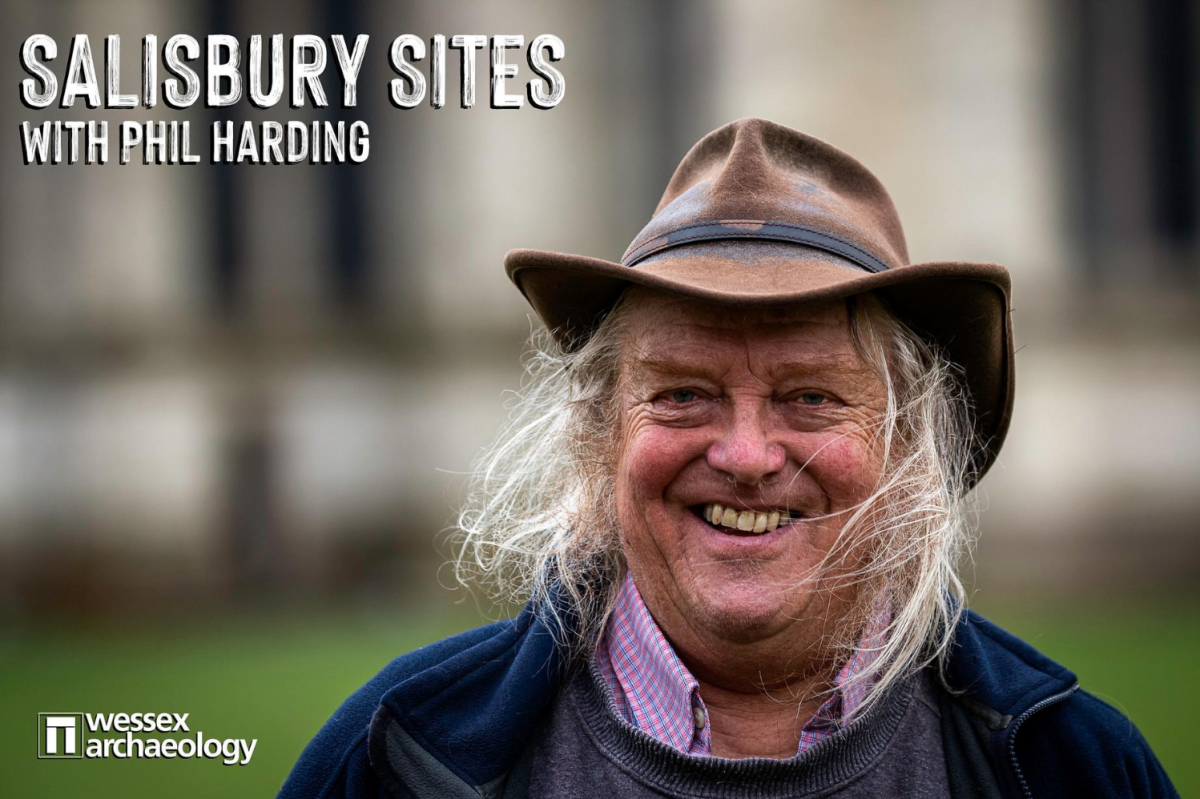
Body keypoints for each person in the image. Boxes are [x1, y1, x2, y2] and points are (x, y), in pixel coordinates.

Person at [278, 118, 1178, 798]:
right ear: (603, 434)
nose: (746, 455)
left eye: (812, 397)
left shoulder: (1069, 766)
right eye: (682, 393)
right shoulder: (396, 756)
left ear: (906, 445)